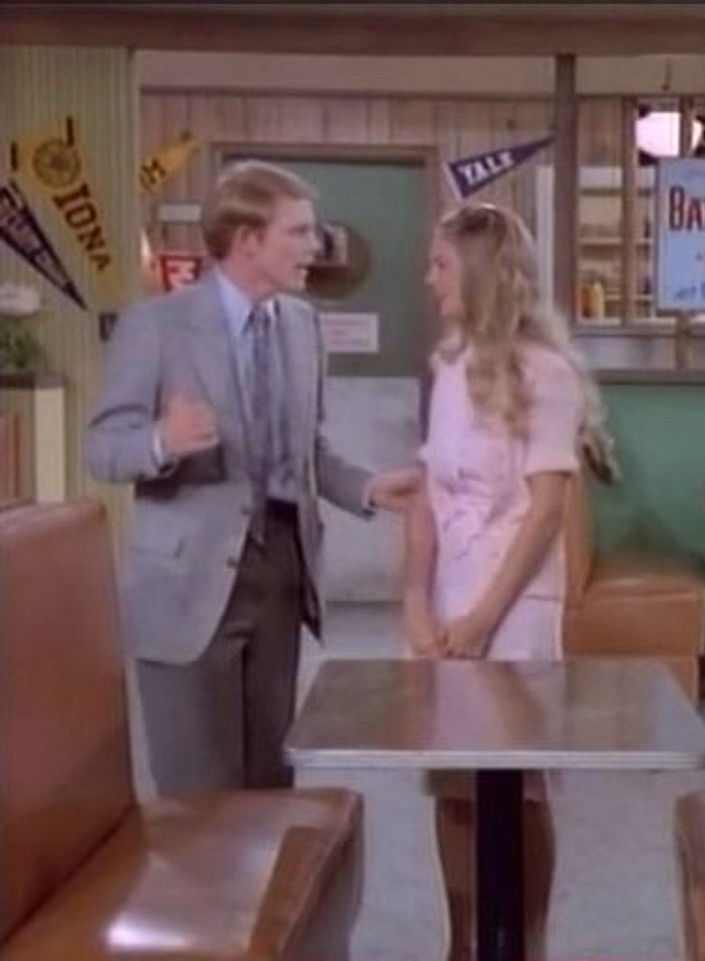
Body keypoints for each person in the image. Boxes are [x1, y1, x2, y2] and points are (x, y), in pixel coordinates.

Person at [86, 160, 420, 795]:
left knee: (269, 787)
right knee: (198, 795)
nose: (316, 246)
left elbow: (307, 447)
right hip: (187, 584)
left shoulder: (301, 326)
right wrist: (161, 440)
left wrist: (367, 488)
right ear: (246, 240)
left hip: (281, 577)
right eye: (299, 231)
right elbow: (102, 448)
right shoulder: (156, 326)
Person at [403, 202, 616, 961]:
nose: (428, 279)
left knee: (514, 785)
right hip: (452, 593)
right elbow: (429, 490)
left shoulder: (544, 373)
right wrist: (415, 598)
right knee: (451, 783)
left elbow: (547, 509)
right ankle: (462, 941)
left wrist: (485, 616)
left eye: (440, 265)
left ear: (480, 273)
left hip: (516, 601)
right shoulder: (449, 366)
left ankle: (524, 942)